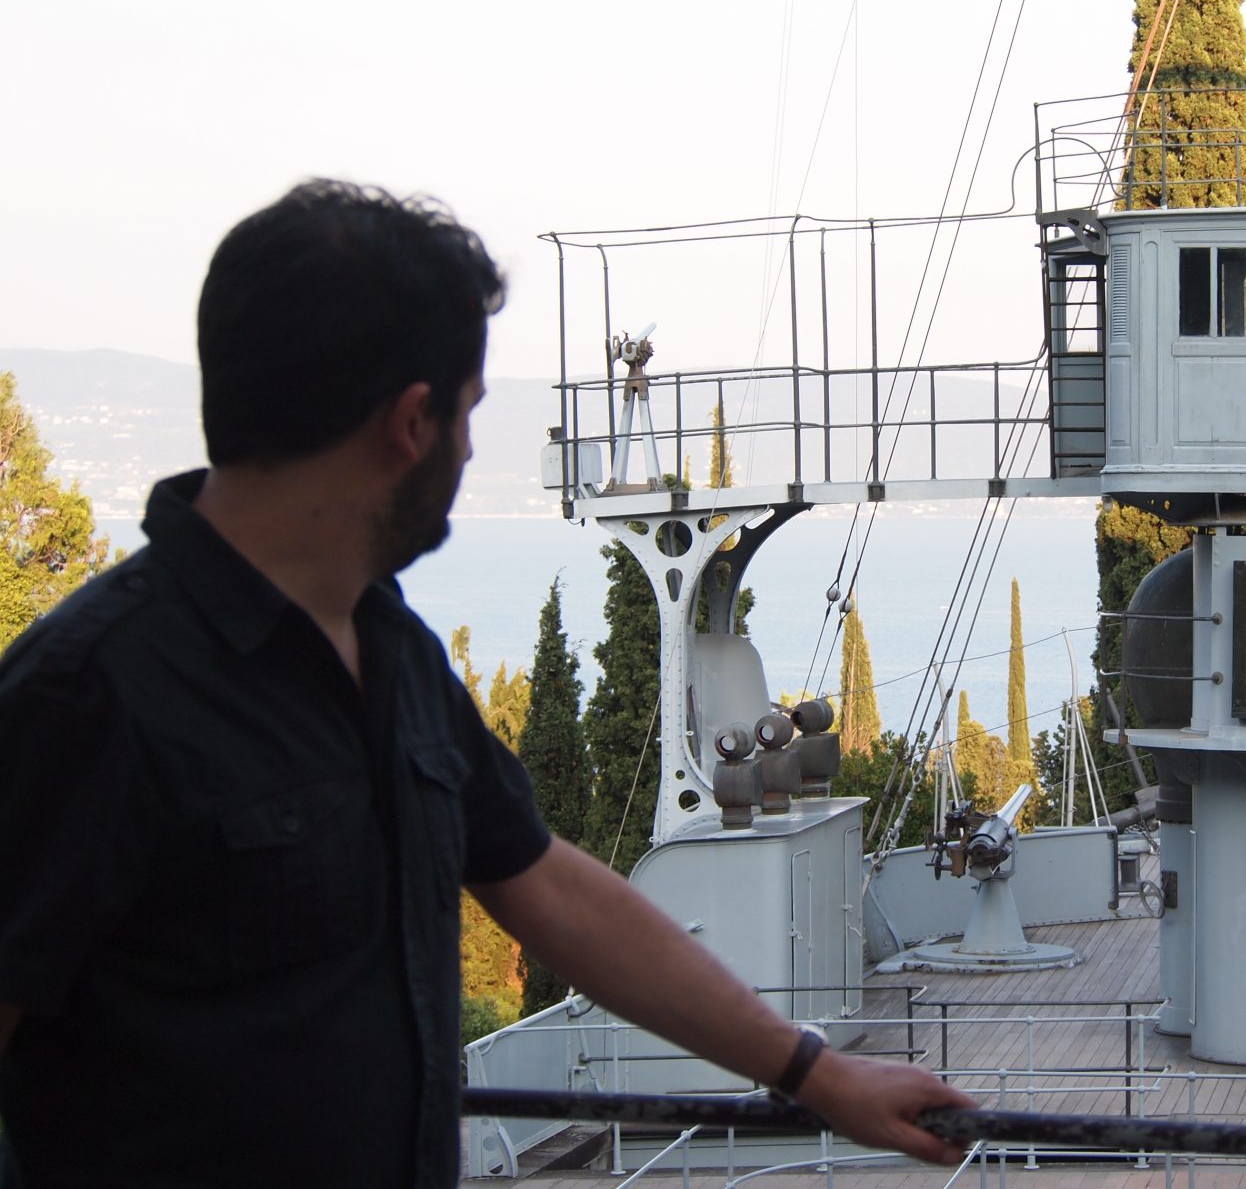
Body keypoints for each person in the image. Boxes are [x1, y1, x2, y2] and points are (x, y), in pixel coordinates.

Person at [0, 181, 973, 1187]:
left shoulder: (389, 652)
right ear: (409, 424)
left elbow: (543, 882)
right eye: (468, 415)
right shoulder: (87, 700)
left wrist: (814, 1075)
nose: (471, 449)